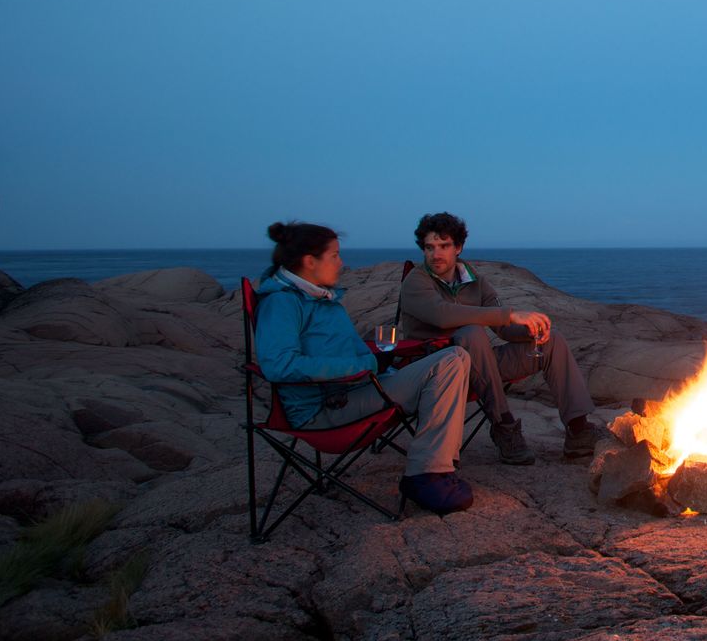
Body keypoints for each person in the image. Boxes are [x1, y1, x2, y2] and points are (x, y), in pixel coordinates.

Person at [253, 221, 475, 515]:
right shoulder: (283, 303)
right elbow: (279, 365)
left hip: (359, 388)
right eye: (334, 255)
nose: (341, 263)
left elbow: (334, 350)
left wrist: (379, 359)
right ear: (309, 262)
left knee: (454, 357)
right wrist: (359, 365)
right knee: (451, 361)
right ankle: (427, 474)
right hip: (328, 407)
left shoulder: (319, 298)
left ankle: (438, 465)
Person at [398, 211, 603, 464]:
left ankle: (578, 430)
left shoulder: (475, 282)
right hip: (435, 369)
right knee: (471, 332)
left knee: (551, 341)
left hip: (479, 366)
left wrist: (530, 328)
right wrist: (509, 315)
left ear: (458, 247)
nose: (436, 254)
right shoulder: (416, 282)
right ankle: (504, 426)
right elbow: (443, 315)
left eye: (444, 246)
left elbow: (504, 330)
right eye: (429, 247)